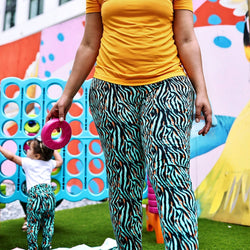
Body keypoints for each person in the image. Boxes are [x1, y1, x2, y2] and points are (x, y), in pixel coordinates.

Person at [46, 0, 212, 249]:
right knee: (124, 183)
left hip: (168, 85)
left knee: (171, 177)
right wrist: (67, 95)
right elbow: (90, 44)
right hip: (110, 91)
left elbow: (187, 39)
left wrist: (202, 90)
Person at [0, 137, 63, 250]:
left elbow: (12, 157)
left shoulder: (28, 162)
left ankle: (33, 247)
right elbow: (60, 162)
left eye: (29, 149)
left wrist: (0, 148)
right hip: (49, 194)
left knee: (33, 224)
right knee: (48, 223)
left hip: (36, 195)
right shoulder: (49, 163)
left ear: (37, 156)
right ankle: (46, 246)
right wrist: (53, 149)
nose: (27, 150)